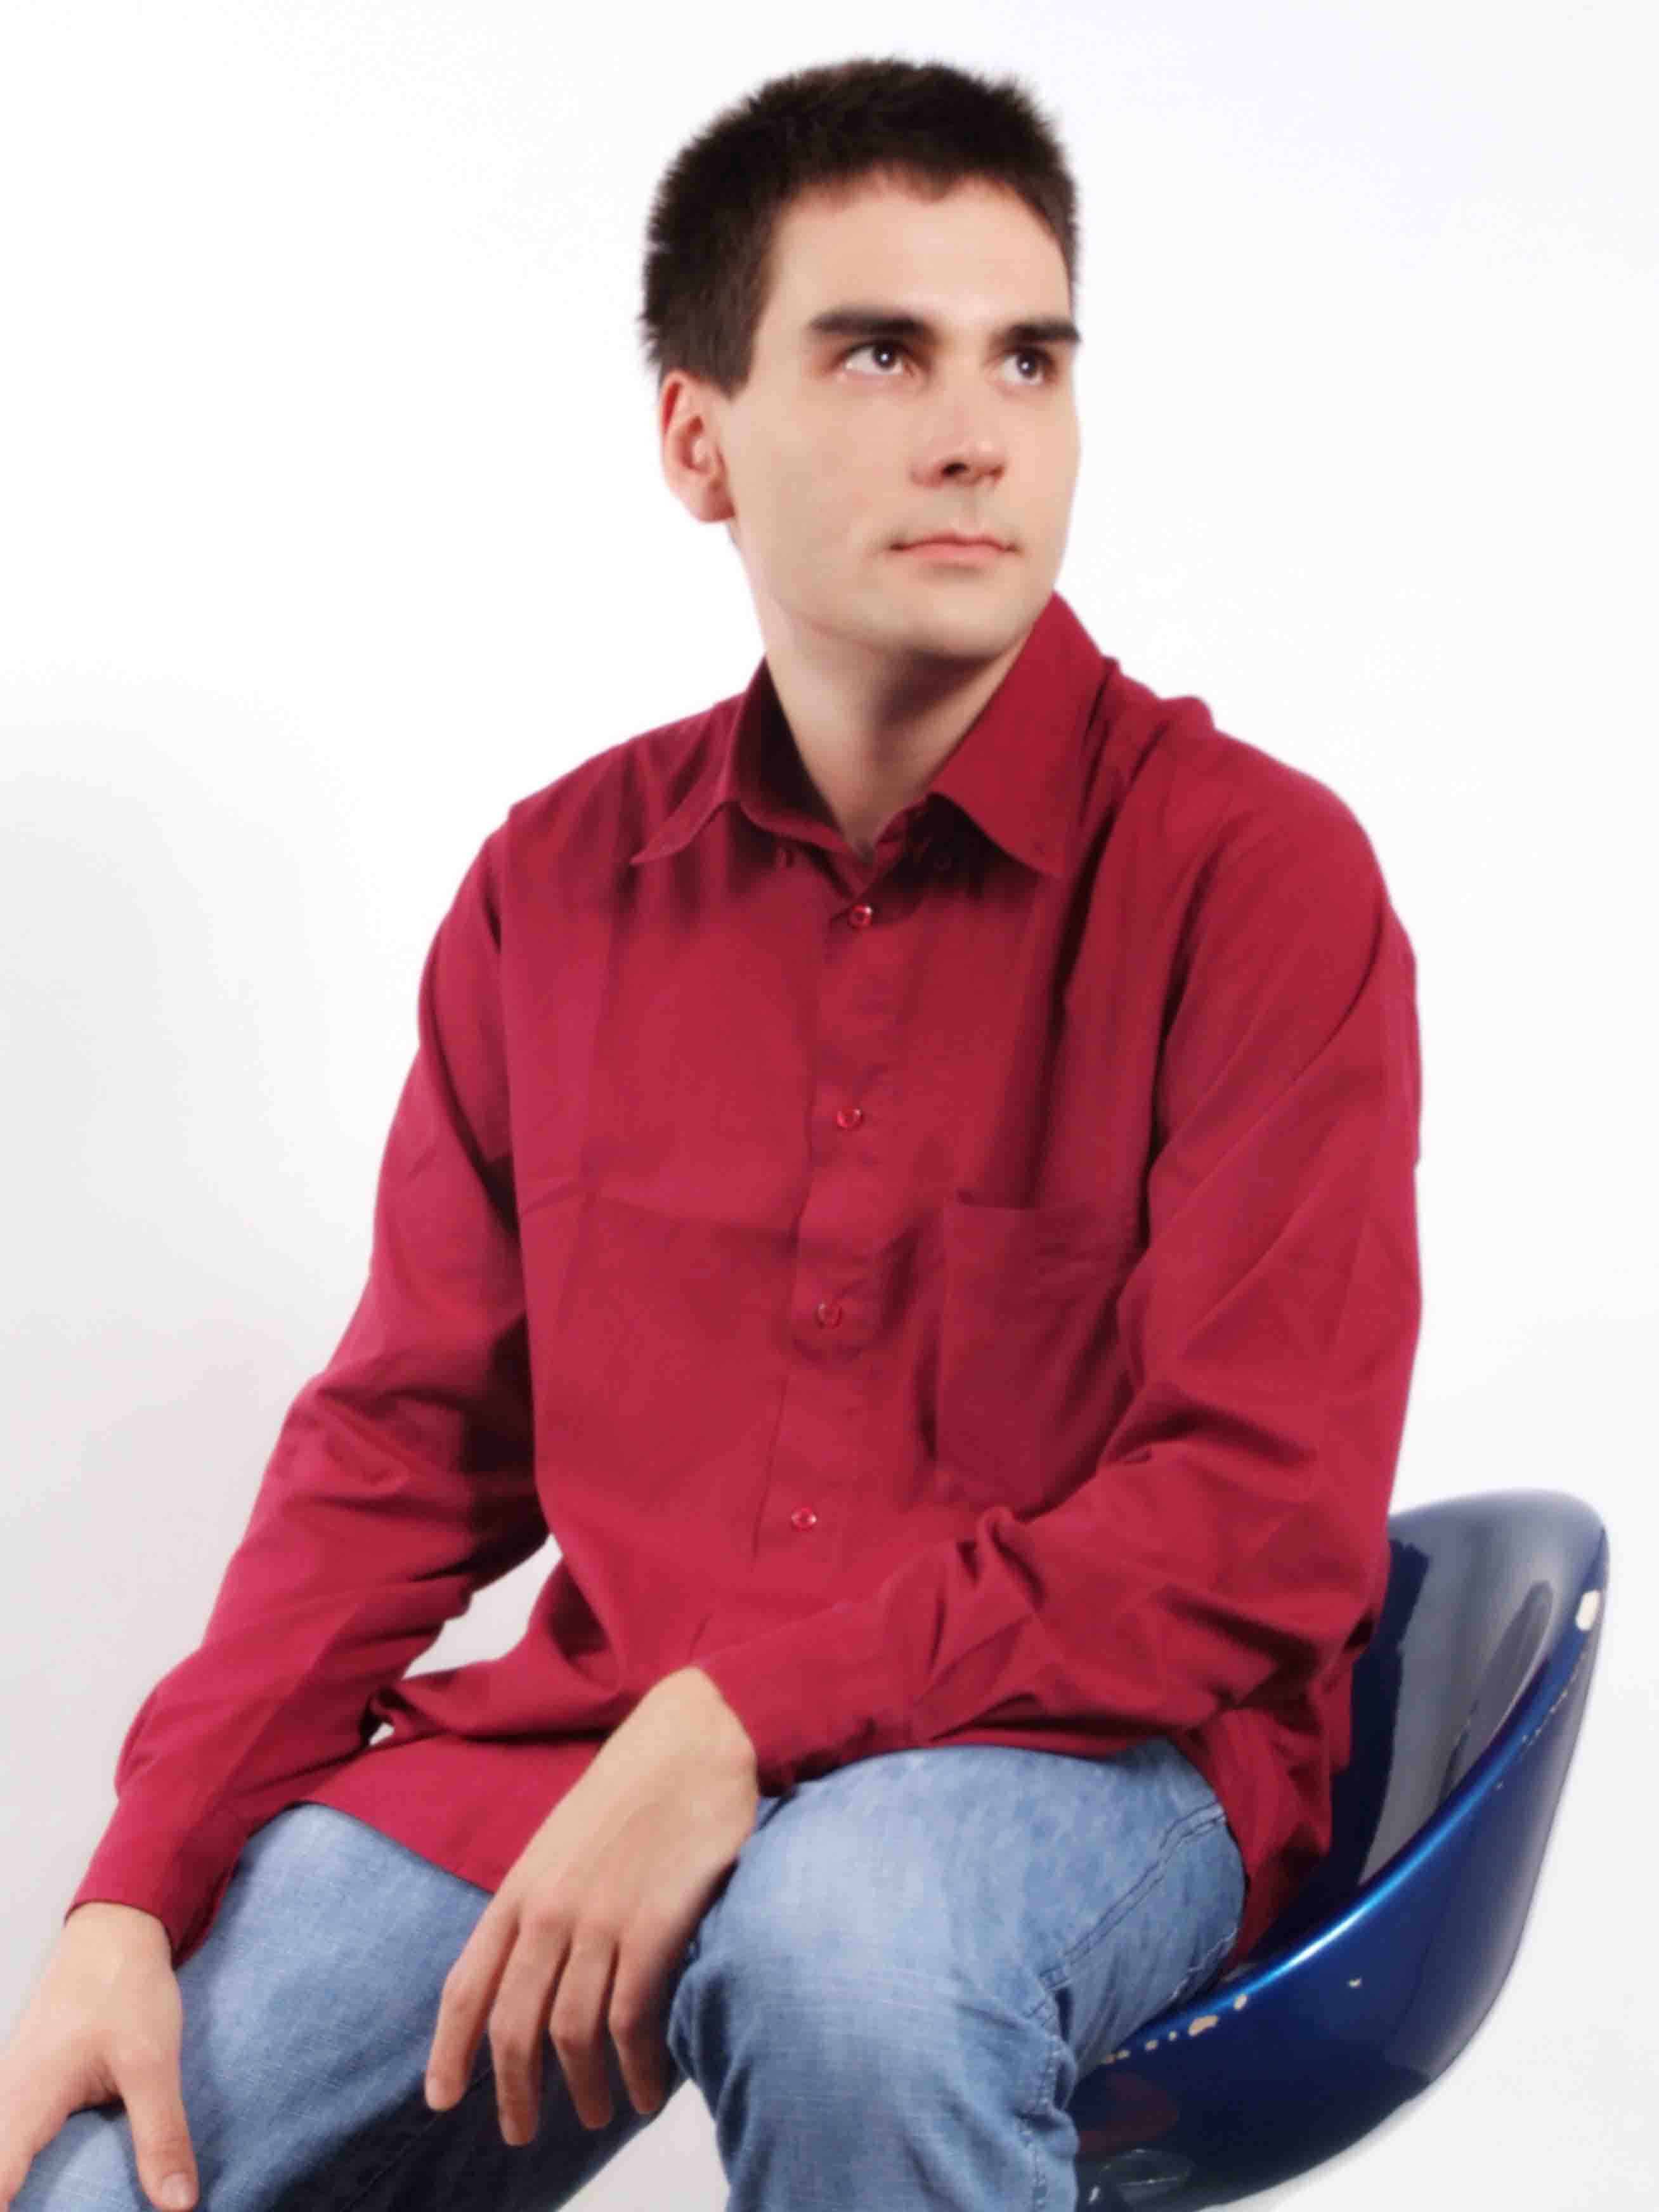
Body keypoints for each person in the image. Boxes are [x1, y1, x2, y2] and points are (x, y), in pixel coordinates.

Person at [0, 52, 1423, 2212]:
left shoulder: (1257, 880)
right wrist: (133, 1884)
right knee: (108, 2169)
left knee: (844, 1953)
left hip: (1082, 1760)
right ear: (697, 437)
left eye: (1029, 359)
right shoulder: (556, 891)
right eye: (881, 353)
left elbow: (1258, 1519)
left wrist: (745, 1713)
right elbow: (406, 1447)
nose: (978, 433)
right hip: (604, 1739)